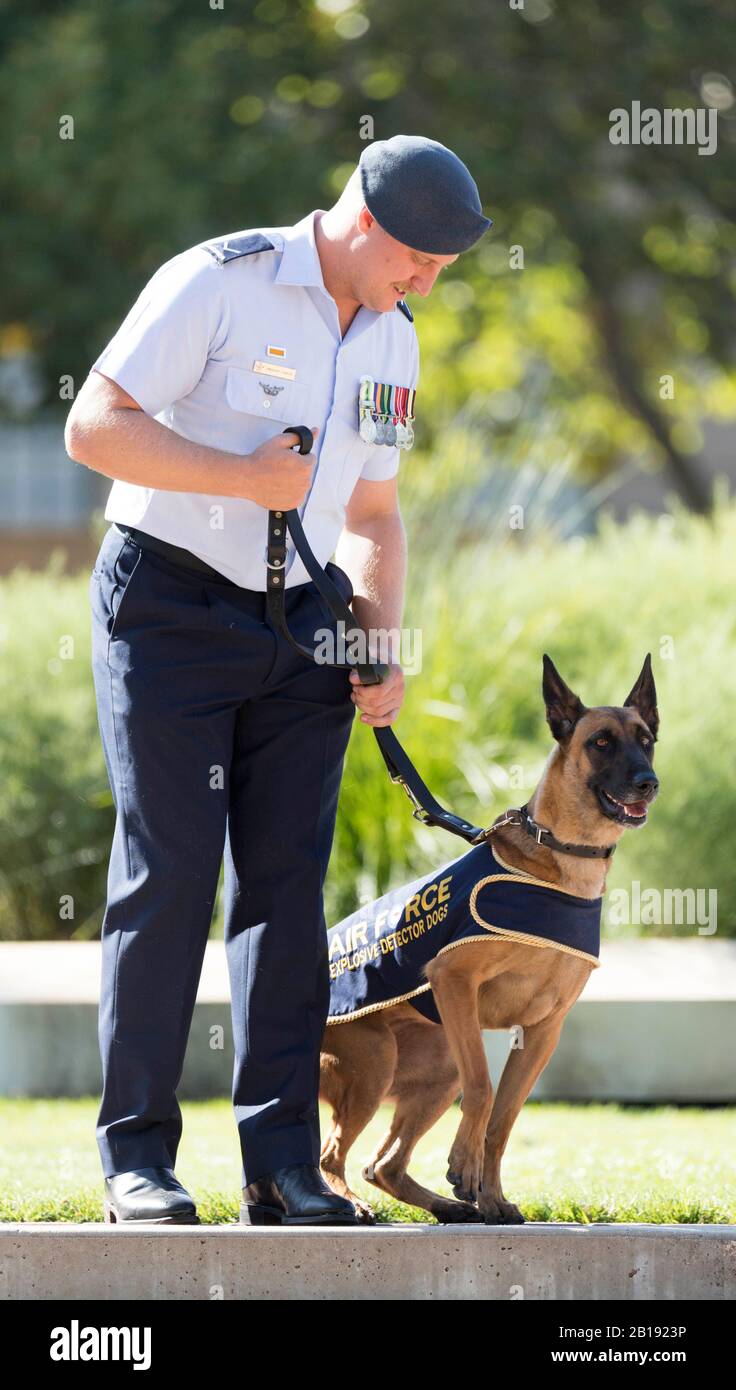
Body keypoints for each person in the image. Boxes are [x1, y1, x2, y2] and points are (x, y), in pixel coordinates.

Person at [64, 134, 491, 1226]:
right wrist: (244, 477)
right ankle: (138, 1163)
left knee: (286, 891)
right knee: (167, 877)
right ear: (359, 218)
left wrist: (377, 639)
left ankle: (286, 1168)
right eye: (418, 259)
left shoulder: (393, 343)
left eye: (442, 268)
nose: (426, 283)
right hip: (168, 604)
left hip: (304, 624)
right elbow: (93, 426)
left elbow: (374, 516)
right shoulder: (220, 281)